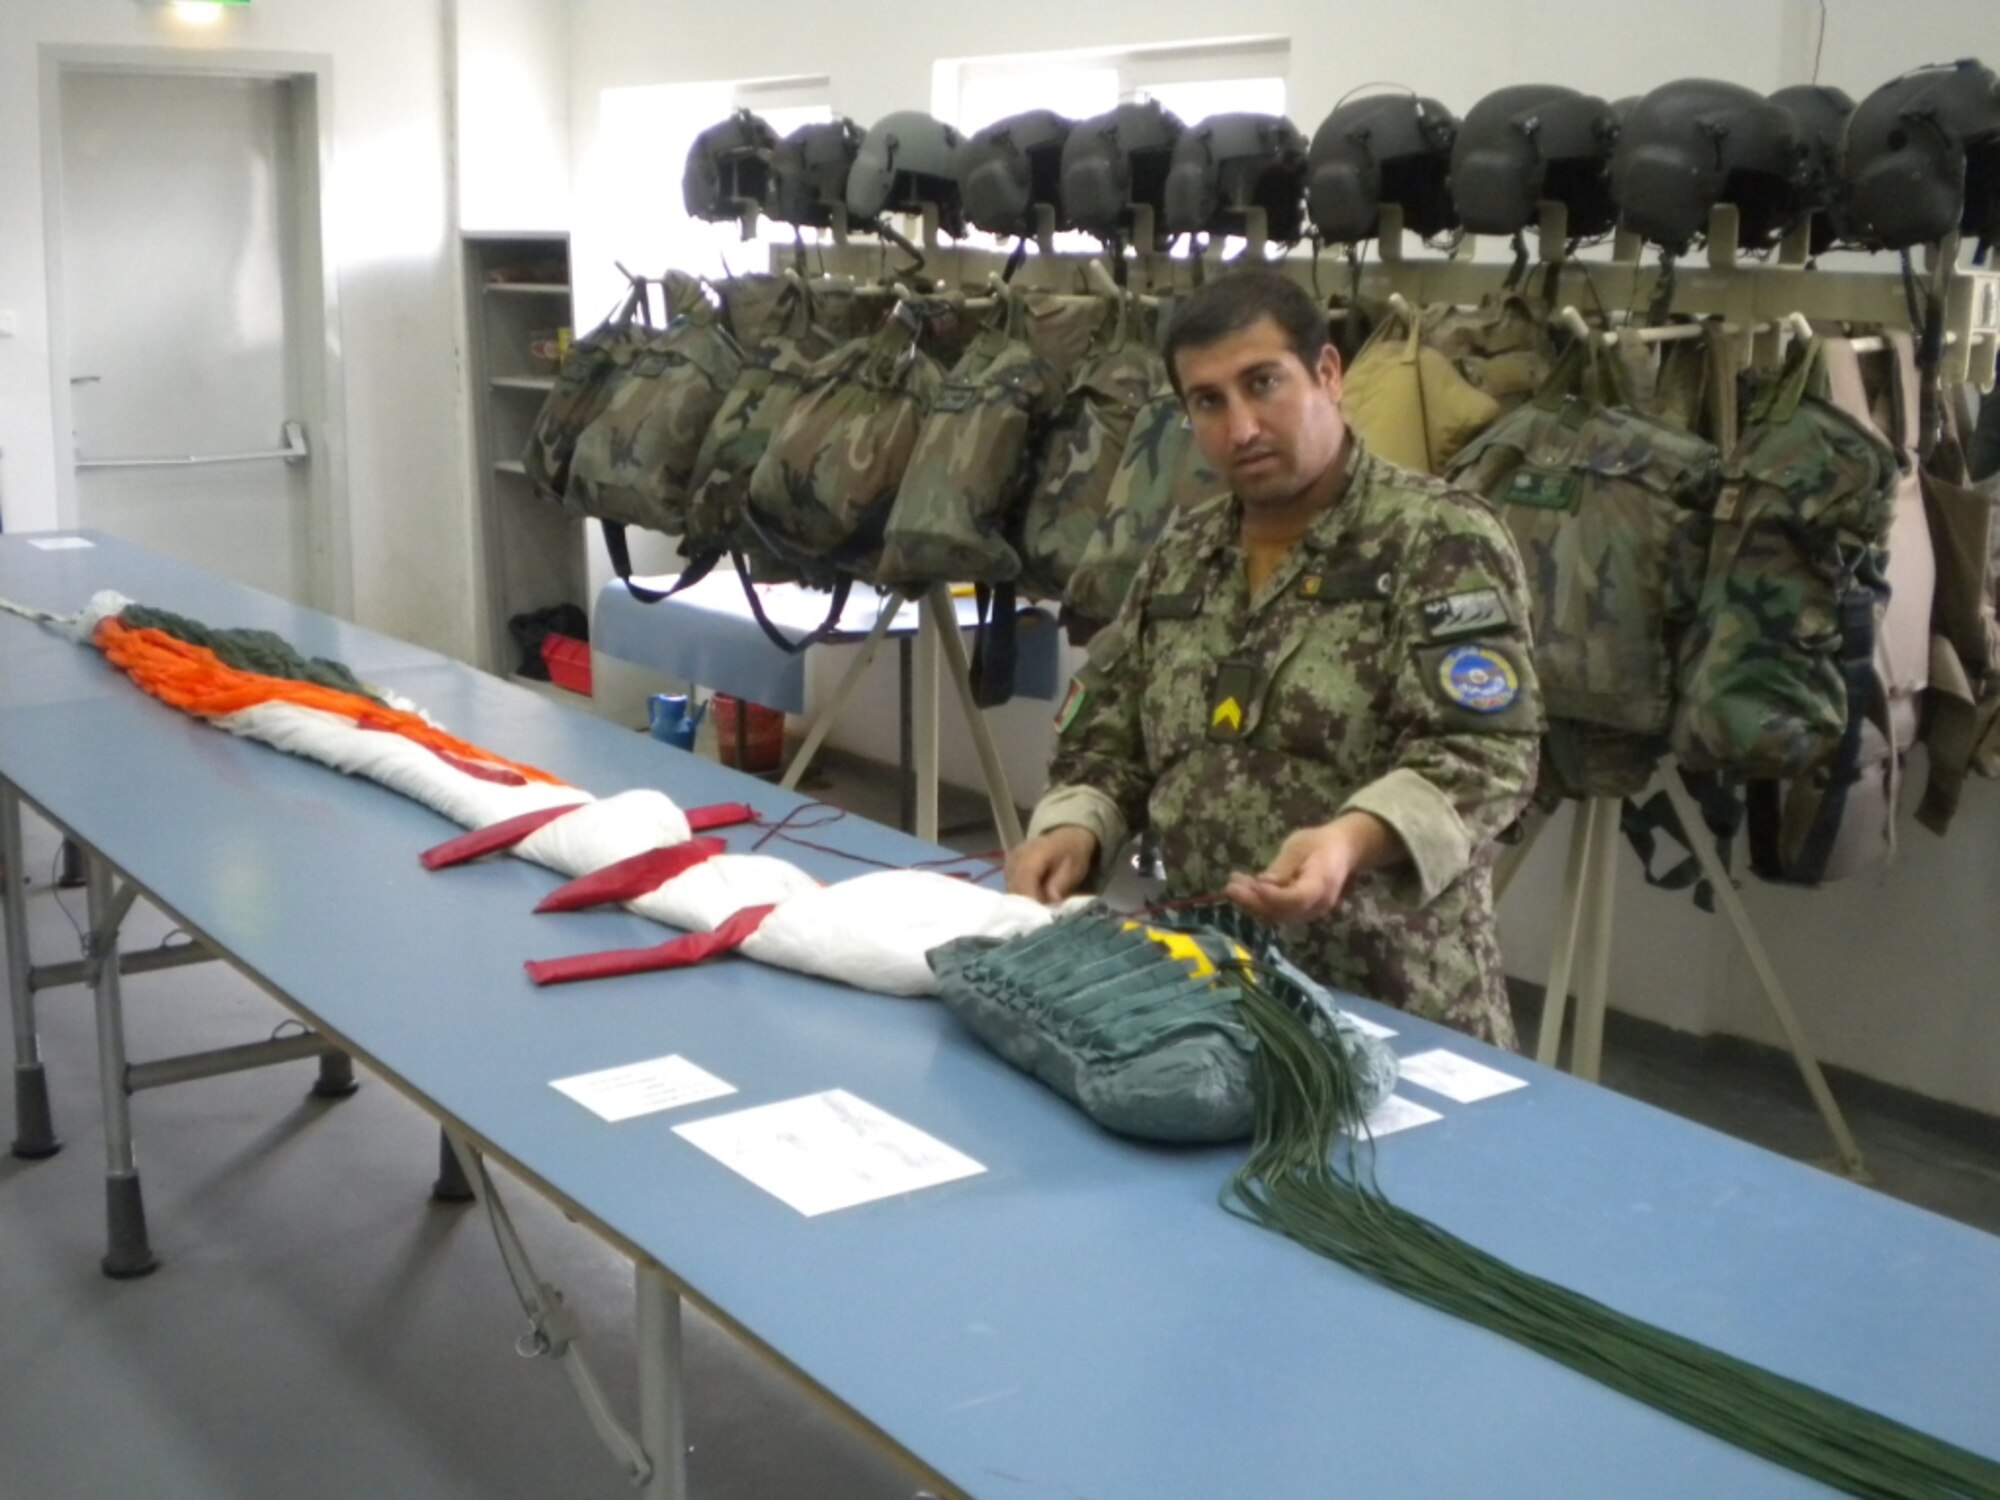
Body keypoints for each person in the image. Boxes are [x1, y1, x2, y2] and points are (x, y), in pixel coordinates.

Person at [1004, 269, 1541, 1047]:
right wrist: (1073, 831)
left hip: (1393, 1002)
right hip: (1214, 991)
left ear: (1328, 374)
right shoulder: (1182, 555)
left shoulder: (1438, 537)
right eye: (1209, 401)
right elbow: (1106, 741)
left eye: (1264, 384)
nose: (1242, 427)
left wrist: (1348, 841)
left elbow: (1487, 753)